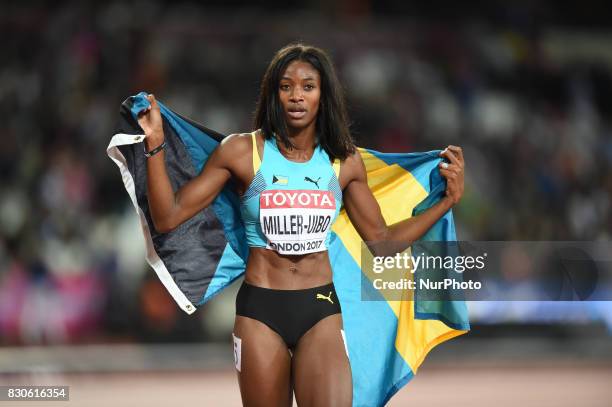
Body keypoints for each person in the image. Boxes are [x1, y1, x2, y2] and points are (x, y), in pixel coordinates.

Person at [136, 43, 464, 407]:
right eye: (286, 86)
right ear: (273, 93)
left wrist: (446, 202)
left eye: (308, 86)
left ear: (323, 96)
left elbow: (382, 242)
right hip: (260, 311)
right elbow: (167, 217)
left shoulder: (343, 161)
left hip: (320, 307)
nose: (296, 96)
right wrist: (155, 145)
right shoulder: (244, 152)